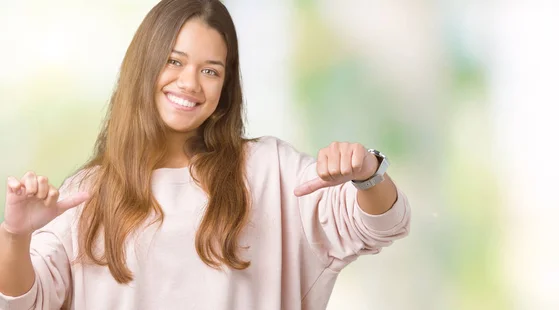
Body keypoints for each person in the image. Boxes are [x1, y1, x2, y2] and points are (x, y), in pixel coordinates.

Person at [0, 0, 410, 309]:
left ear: (226, 85)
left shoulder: (270, 170)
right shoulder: (88, 193)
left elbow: (385, 223)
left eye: (210, 70)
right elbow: (22, 303)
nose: (190, 83)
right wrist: (15, 237)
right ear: (142, 66)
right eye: (174, 61)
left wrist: (367, 173)